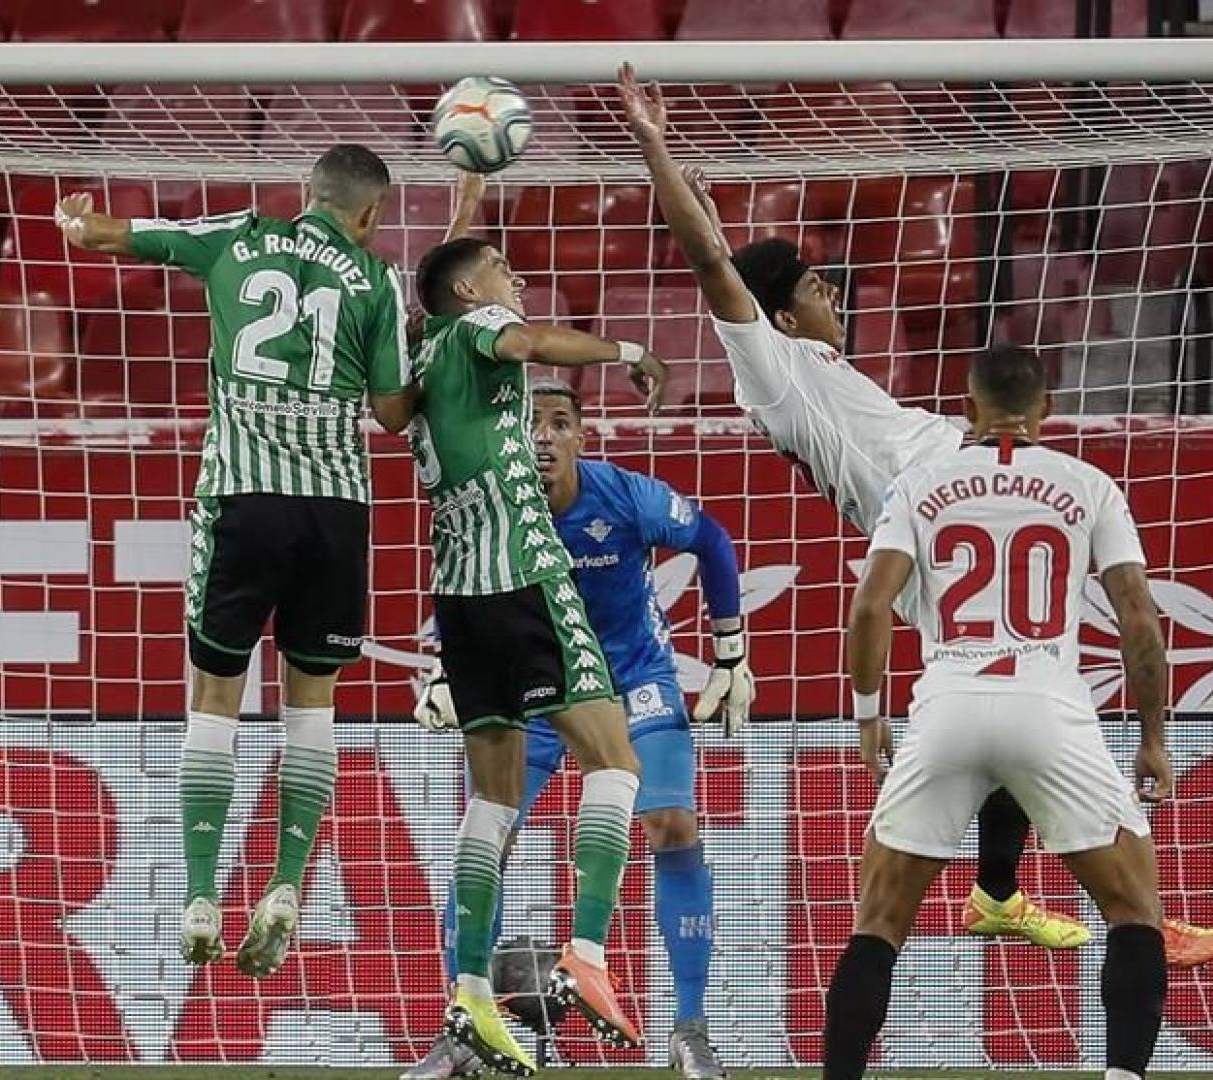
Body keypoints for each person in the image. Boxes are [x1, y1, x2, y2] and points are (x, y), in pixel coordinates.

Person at [613, 62, 1213, 969]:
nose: (836, 300)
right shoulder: (776, 373)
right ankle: (1128, 915)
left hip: (962, 498)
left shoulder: (815, 371)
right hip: (944, 524)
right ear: (780, 317)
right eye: (820, 289)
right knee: (1036, 683)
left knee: (1017, 690)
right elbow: (714, 266)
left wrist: (698, 181)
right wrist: (652, 145)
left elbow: (729, 254)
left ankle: (1001, 891)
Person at [56, 144, 413, 978]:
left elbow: (117, 237)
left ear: (304, 195)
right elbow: (394, 414)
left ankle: (198, 890)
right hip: (336, 509)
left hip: (244, 498)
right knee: (311, 707)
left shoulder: (237, 239)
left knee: (214, 699)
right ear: (370, 216)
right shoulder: (377, 282)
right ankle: (288, 882)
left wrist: (79, 221)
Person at [825, 343, 1170, 1080]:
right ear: (1047, 409)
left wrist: (866, 716)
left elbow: (871, 606)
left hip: (946, 704)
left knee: (879, 924)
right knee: (1135, 911)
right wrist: (1153, 740)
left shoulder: (920, 483)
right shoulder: (1090, 485)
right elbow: (1139, 619)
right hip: (1049, 706)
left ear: (967, 407)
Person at [407, 379, 751, 1080]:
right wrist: (446, 672)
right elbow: (459, 579)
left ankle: (690, 1030)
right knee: (487, 834)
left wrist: (730, 653)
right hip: (535, 685)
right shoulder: (490, 506)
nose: (542, 436)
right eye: (530, 423)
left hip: (632, 679)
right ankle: (464, 1026)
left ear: (581, 439)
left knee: (674, 826)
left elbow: (710, 536)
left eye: (559, 423)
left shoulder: (624, 495)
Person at [399, 227, 671, 1076]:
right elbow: (523, 337)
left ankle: (472, 993)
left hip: (459, 593)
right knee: (616, 762)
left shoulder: (421, 361)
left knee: (493, 804)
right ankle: (586, 951)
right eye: (502, 273)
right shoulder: (485, 332)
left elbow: (449, 281)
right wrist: (628, 346)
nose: (516, 282)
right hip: (523, 573)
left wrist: (468, 189)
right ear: (471, 296)